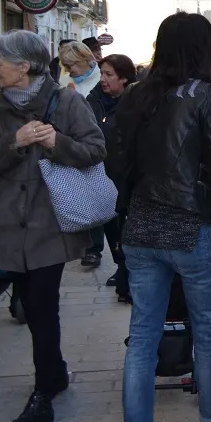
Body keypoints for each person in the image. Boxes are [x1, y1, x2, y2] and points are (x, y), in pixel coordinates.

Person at [108, 11, 211, 422]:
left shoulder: (134, 95)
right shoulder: (207, 94)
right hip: (194, 226)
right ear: (202, 47)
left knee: (143, 336)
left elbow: (118, 164)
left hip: (142, 227)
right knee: (208, 328)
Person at [0, 30, 107, 422]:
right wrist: (13, 143)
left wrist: (57, 141)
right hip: (2, 227)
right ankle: (54, 373)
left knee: (41, 308)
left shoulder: (66, 100)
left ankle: (44, 390)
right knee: (28, 305)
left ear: (24, 67)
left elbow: (96, 150)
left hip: (48, 226)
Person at [85, 54, 138, 294]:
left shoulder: (136, 102)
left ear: (124, 78)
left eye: (109, 74)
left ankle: (128, 270)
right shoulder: (93, 99)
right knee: (110, 225)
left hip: (128, 175)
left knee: (126, 225)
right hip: (100, 174)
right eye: (102, 74)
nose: (103, 79)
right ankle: (120, 265)